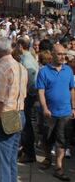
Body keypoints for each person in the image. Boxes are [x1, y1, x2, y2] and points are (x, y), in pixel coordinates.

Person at [0, 37, 27, 182]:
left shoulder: (1, 69)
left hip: (5, 117)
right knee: (10, 159)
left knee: (1, 162)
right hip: (18, 113)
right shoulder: (20, 67)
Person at [37, 44, 75, 181]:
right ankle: (48, 158)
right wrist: (45, 108)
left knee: (62, 140)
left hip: (65, 112)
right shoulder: (43, 72)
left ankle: (58, 167)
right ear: (52, 54)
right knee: (46, 138)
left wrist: (73, 108)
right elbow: (40, 92)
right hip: (49, 113)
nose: (62, 56)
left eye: (64, 54)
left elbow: (72, 89)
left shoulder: (68, 70)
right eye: (59, 54)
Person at [16, 37, 39, 163]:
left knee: (26, 125)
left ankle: (29, 153)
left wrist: (26, 91)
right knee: (25, 124)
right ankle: (25, 150)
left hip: (27, 96)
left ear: (20, 46)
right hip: (27, 95)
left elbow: (31, 79)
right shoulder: (27, 58)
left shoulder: (27, 60)